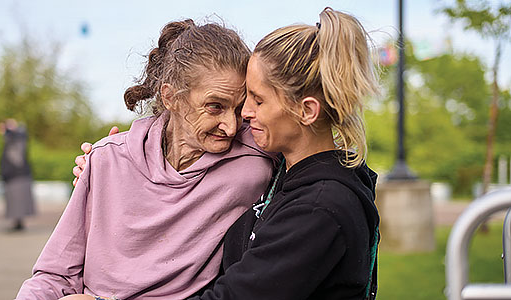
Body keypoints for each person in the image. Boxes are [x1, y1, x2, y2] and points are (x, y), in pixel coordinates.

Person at [71, 7, 380, 300]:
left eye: (257, 100)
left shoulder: (319, 210)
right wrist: (117, 159)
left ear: (307, 110)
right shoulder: (287, 172)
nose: (243, 115)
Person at [15, 19, 274, 300]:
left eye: (239, 109)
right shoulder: (107, 158)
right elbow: (56, 275)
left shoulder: (254, 161)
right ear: (171, 97)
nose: (231, 126)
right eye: (215, 107)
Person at [0, 118, 35, 232]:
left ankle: (19, 224)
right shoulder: (13, 139)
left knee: (18, 202)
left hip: (17, 175)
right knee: (15, 203)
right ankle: (17, 223)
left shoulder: (17, 138)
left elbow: (19, 136)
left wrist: (9, 129)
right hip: (14, 175)